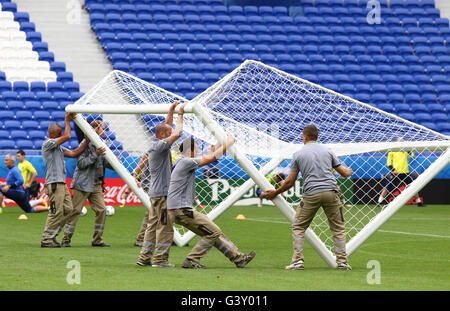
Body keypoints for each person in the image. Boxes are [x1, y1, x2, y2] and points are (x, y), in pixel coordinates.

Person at [262, 125, 353, 270]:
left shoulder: (298, 154)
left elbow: (290, 182)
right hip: (331, 191)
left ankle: (298, 261)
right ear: (317, 137)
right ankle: (342, 262)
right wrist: (348, 172)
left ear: (304, 137)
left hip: (312, 194)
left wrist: (275, 192)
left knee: (298, 226)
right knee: (338, 227)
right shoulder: (328, 151)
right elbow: (343, 173)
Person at [167, 135, 256, 269]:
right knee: (214, 232)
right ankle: (191, 259)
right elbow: (213, 157)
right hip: (182, 209)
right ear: (189, 151)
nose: (197, 152)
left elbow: (209, 154)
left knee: (211, 232)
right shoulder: (186, 161)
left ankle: (238, 258)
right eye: (196, 150)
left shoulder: (180, 162)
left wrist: (219, 142)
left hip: (177, 209)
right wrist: (229, 143)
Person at [136, 100, 186, 267]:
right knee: (164, 226)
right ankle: (160, 260)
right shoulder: (159, 147)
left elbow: (168, 126)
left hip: (156, 193)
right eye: (168, 132)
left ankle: (144, 258)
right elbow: (177, 133)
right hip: (163, 194)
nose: (171, 133)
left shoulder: (156, 145)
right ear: (164, 135)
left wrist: (171, 109)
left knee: (152, 226)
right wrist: (181, 114)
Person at [40, 113, 89, 248]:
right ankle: (46, 239)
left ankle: (52, 235)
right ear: (53, 133)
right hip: (54, 183)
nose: (61, 135)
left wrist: (86, 142)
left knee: (68, 209)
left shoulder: (58, 148)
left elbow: (73, 153)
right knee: (56, 211)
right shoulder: (48, 144)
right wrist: (67, 120)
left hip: (61, 183)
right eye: (59, 133)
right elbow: (67, 136)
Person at [61, 120, 113, 247]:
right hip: (82, 183)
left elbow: (103, 163)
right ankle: (65, 239)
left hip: (96, 184)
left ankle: (97, 240)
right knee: (75, 211)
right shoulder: (84, 144)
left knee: (101, 210)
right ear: (95, 130)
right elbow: (81, 163)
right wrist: (96, 154)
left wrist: (113, 162)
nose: (105, 132)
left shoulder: (102, 144)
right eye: (103, 129)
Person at [377, 138, 422, 206]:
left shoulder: (405, 149)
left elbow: (411, 155)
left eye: (402, 141)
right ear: (396, 142)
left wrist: (406, 148)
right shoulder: (392, 150)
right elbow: (388, 163)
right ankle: (379, 202)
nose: (401, 142)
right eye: (400, 141)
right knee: (387, 187)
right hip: (395, 173)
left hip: (405, 173)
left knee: (413, 187)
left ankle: (419, 203)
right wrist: (393, 170)